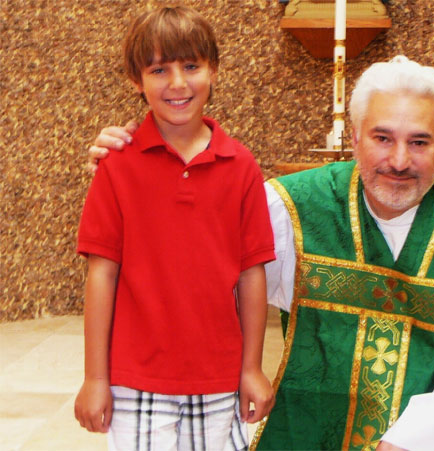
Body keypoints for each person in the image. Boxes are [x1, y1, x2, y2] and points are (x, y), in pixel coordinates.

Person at [88, 55, 434, 450]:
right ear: (353, 138)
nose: (399, 161)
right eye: (382, 138)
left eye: (419, 142)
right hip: (322, 409)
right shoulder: (292, 208)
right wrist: (133, 167)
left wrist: (412, 436)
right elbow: (200, 247)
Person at [75, 6, 275, 450]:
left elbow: (252, 273)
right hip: (137, 377)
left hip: (219, 373)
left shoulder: (240, 166)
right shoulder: (118, 167)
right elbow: (101, 273)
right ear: (136, 80)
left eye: (191, 66)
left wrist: (251, 368)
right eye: (159, 69)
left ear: (214, 70)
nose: (178, 83)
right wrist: (95, 376)